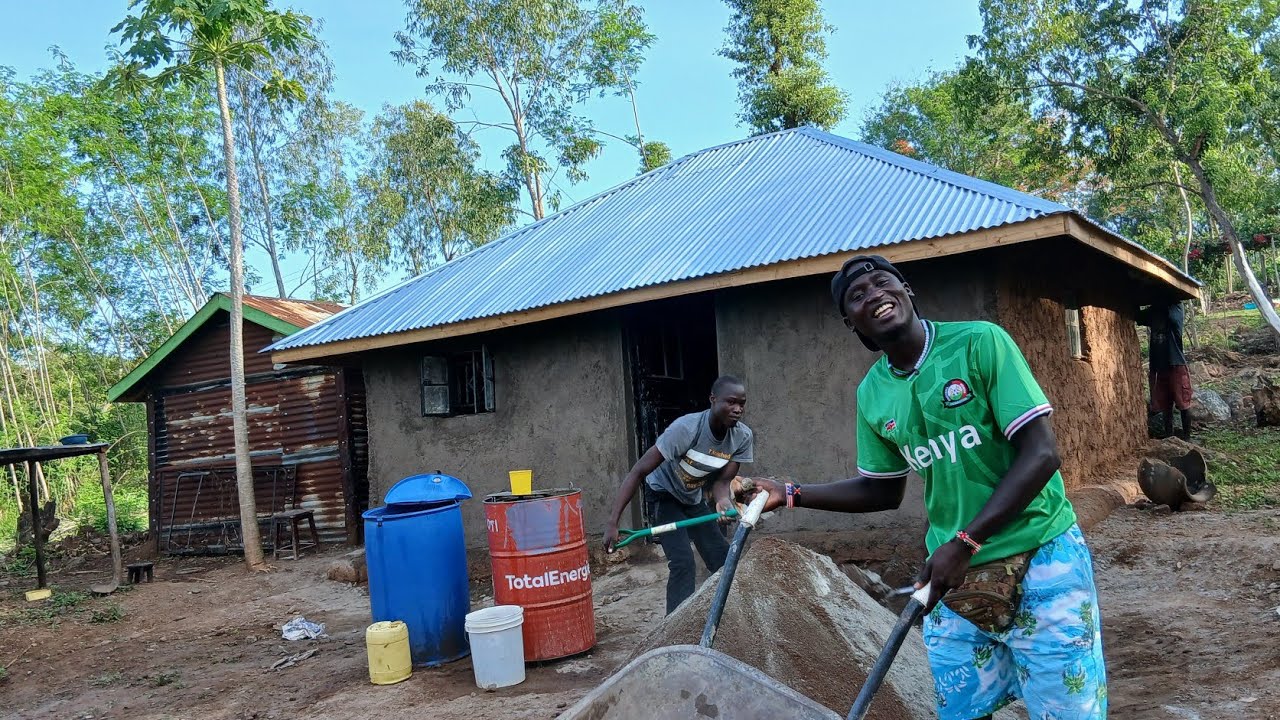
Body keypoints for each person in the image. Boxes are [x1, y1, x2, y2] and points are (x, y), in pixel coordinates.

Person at [744, 256, 1106, 720]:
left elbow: (1041, 455)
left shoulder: (979, 342)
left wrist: (966, 540)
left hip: (1040, 555)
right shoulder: (872, 393)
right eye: (857, 296)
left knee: (1066, 711)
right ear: (851, 324)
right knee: (960, 711)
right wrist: (789, 493)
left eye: (882, 283)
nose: (873, 294)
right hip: (952, 576)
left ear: (906, 290)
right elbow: (880, 490)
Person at [604, 376, 753, 614]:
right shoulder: (686, 429)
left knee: (723, 559)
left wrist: (723, 500)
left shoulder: (742, 437)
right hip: (663, 494)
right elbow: (638, 471)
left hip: (692, 497)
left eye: (742, 404)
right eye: (731, 402)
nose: (737, 409)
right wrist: (613, 522)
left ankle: (732, 617)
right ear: (713, 400)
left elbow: (722, 481)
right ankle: (675, 629)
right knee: (683, 562)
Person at [1137, 302, 1192, 440]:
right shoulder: (1155, 310)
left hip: (1175, 364)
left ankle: (1187, 438)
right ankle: (1169, 437)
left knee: (1182, 403)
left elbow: (1171, 317)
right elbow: (1138, 317)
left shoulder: (1175, 307)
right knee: (1164, 404)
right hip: (1159, 367)